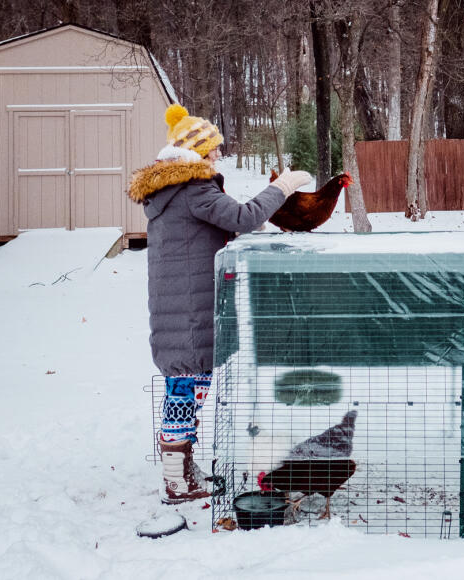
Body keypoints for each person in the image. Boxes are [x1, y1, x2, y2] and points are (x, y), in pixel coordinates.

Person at [129, 104, 310, 504]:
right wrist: (282, 187)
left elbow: (221, 224)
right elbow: (244, 217)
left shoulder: (171, 192)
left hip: (179, 307)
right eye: (214, 149)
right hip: (190, 313)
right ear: (197, 151)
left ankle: (182, 470)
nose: (218, 155)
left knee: (184, 390)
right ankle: (176, 481)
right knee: (185, 391)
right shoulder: (194, 189)